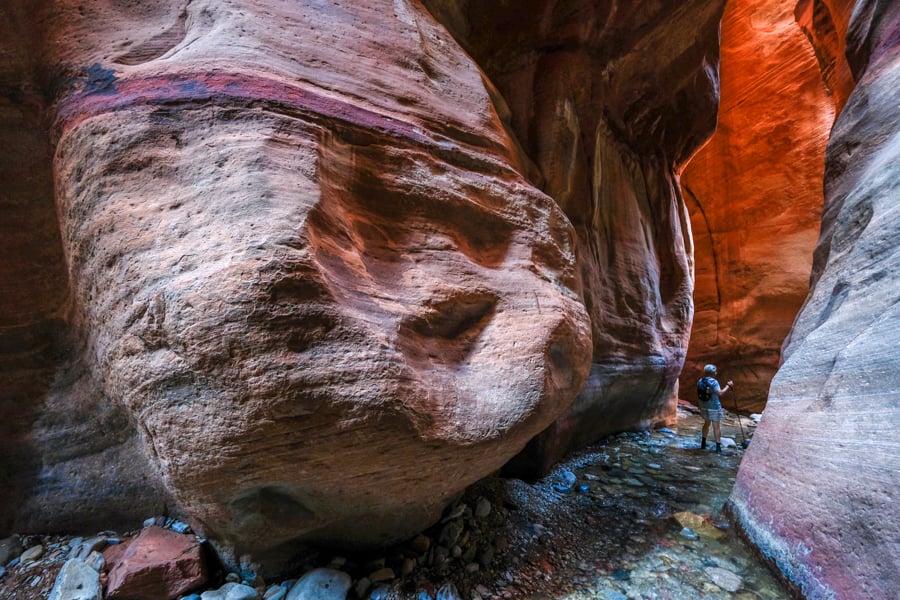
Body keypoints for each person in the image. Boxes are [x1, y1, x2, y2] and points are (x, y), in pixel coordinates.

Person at [698, 364, 733, 453]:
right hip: (714, 407)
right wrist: (728, 386)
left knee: (706, 423)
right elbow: (720, 393)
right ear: (714, 373)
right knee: (716, 427)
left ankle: (703, 443)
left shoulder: (700, 381)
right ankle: (718, 448)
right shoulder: (714, 382)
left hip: (704, 406)